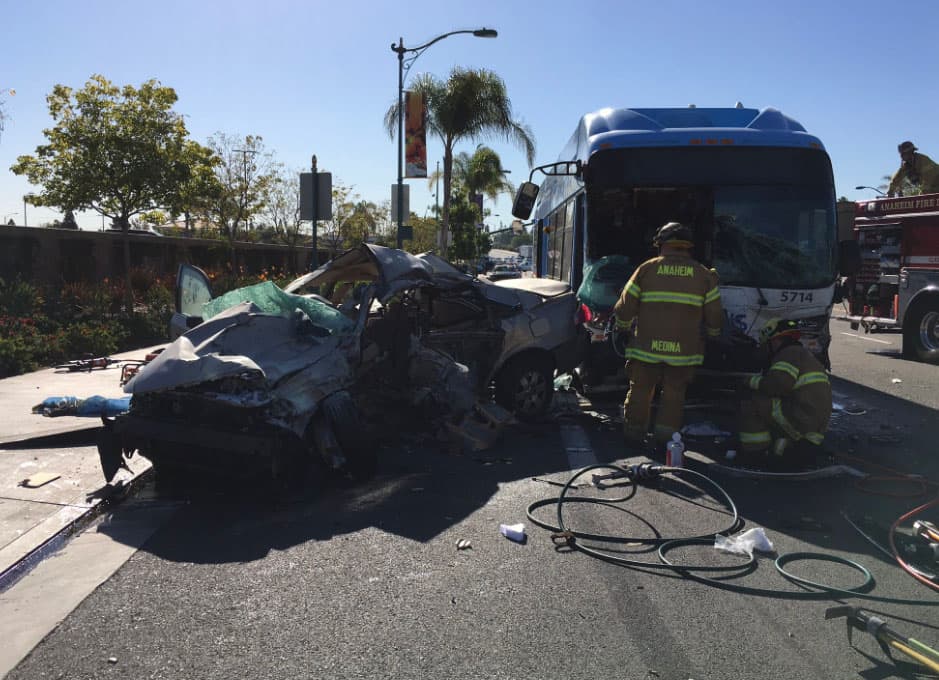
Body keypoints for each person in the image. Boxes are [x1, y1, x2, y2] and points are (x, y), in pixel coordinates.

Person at [613, 222, 723, 446]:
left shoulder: (647, 269)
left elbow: (625, 306)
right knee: (674, 396)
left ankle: (634, 435)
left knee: (640, 392)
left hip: (646, 348)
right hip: (683, 352)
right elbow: (714, 315)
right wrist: (713, 336)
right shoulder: (703, 275)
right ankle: (665, 440)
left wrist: (622, 328)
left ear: (661, 244)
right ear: (688, 247)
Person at [736, 318, 832, 467]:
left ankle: (756, 453)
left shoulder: (788, 354)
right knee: (771, 405)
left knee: (752, 402)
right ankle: (784, 446)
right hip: (813, 420)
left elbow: (777, 386)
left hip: (802, 417)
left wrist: (748, 381)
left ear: (773, 341)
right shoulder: (801, 354)